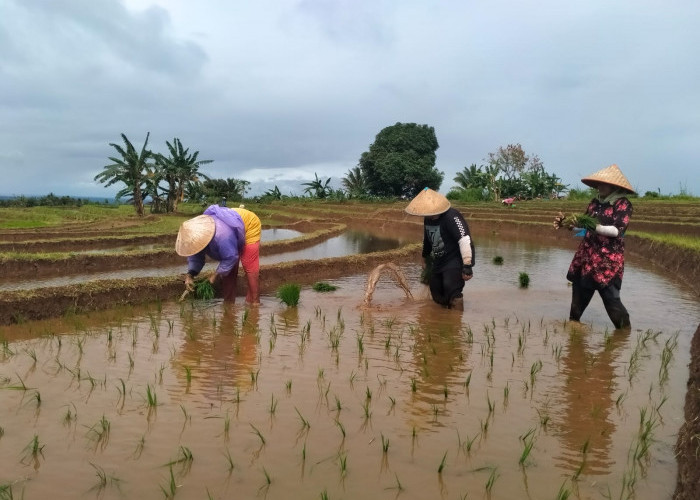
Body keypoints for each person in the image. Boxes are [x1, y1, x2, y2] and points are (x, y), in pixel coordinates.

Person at [554, 164, 634, 329]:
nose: (599, 187)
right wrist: (568, 224)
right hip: (587, 256)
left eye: (603, 184)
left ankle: (624, 333)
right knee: (578, 296)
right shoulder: (595, 203)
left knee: (611, 299)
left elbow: (617, 231)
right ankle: (574, 333)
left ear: (614, 186)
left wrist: (594, 227)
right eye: (598, 184)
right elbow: (581, 227)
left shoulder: (623, 205)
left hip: (607, 260)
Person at [176, 204, 261, 304]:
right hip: (230, 225)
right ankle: (228, 302)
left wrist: (215, 275)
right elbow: (196, 257)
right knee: (229, 271)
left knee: (248, 265)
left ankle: (255, 301)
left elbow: (231, 257)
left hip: (249, 224)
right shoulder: (197, 238)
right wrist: (190, 275)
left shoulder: (222, 235)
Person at [405, 188, 475, 309]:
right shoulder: (428, 219)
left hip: (455, 258)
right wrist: (425, 258)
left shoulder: (452, 216)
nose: (426, 214)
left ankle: (456, 320)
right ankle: (444, 317)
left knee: (451, 286)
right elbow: (427, 239)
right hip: (440, 258)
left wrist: (467, 266)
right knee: (436, 290)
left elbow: (464, 239)